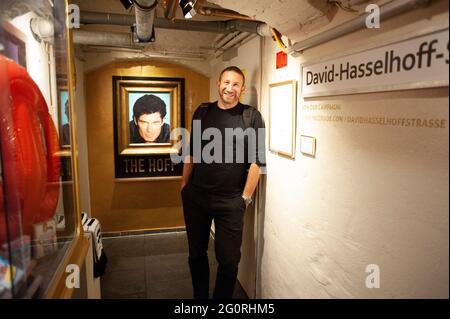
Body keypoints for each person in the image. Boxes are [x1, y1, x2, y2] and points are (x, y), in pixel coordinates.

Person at [180, 66, 266, 299]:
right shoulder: (202, 112)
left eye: (236, 84)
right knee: (196, 253)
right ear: (218, 84)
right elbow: (191, 152)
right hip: (196, 197)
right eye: (226, 82)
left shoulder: (251, 117)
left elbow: (258, 162)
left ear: (242, 89)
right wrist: (184, 186)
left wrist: (245, 198)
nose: (230, 88)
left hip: (230, 202)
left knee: (228, 261)